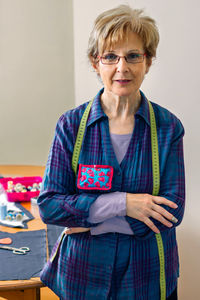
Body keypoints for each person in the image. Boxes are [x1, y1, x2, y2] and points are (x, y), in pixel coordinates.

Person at [37, 5, 185, 300]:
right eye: (110, 57)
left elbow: (171, 212)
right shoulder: (71, 125)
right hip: (83, 276)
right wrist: (124, 204)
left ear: (148, 61)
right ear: (96, 62)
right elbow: (50, 206)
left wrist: (87, 219)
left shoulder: (168, 127)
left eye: (133, 56)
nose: (122, 68)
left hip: (147, 277)